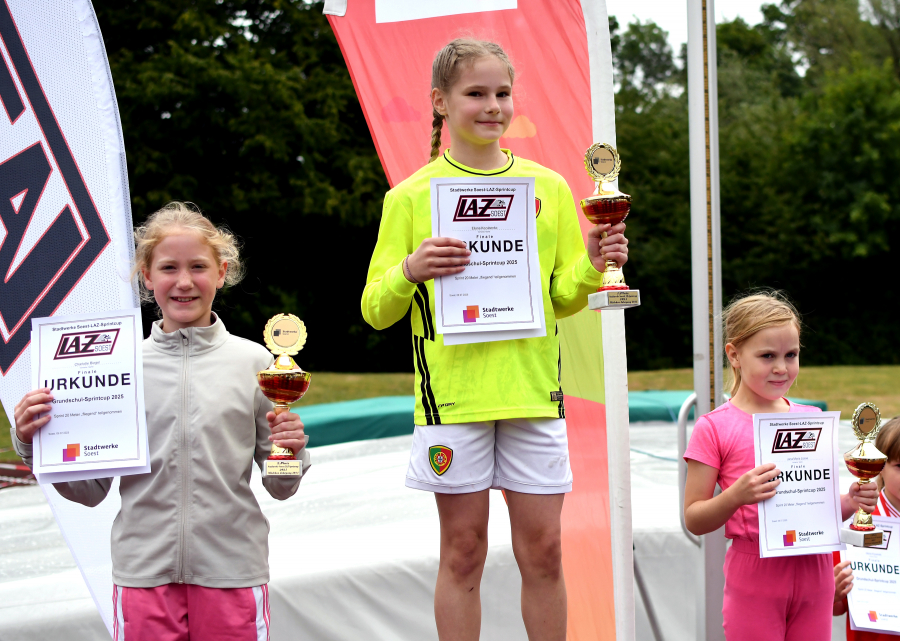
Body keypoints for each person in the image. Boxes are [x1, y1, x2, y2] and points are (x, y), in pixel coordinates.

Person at [361, 38, 628, 641]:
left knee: (546, 553)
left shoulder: (550, 187)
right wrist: (411, 270)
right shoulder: (409, 197)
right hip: (452, 405)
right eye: (476, 93)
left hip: (534, 397)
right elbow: (375, 309)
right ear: (440, 101)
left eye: (502, 93)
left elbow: (560, 298)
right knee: (463, 554)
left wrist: (591, 263)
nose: (492, 106)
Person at [11, 202, 310, 641]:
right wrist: (34, 440)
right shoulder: (118, 365)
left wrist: (288, 451)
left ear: (222, 272)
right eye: (169, 267)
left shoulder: (256, 363)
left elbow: (281, 485)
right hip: (142, 577)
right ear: (147, 278)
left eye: (198, 267)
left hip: (232, 574)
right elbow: (89, 492)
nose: (184, 281)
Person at [683, 291, 877, 641]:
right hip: (755, 570)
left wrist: (851, 499)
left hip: (815, 569)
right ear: (734, 355)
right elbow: (694, 518)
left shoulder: (813, 419)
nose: (781, 368)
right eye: (767, 355)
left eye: (791, 355)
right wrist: (736, 497)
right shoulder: (714, 427)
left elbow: (816, 505)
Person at [833, 415, 900, 639]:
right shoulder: (857, 525)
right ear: (879, 467)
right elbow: (837, 607)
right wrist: (831, 593)